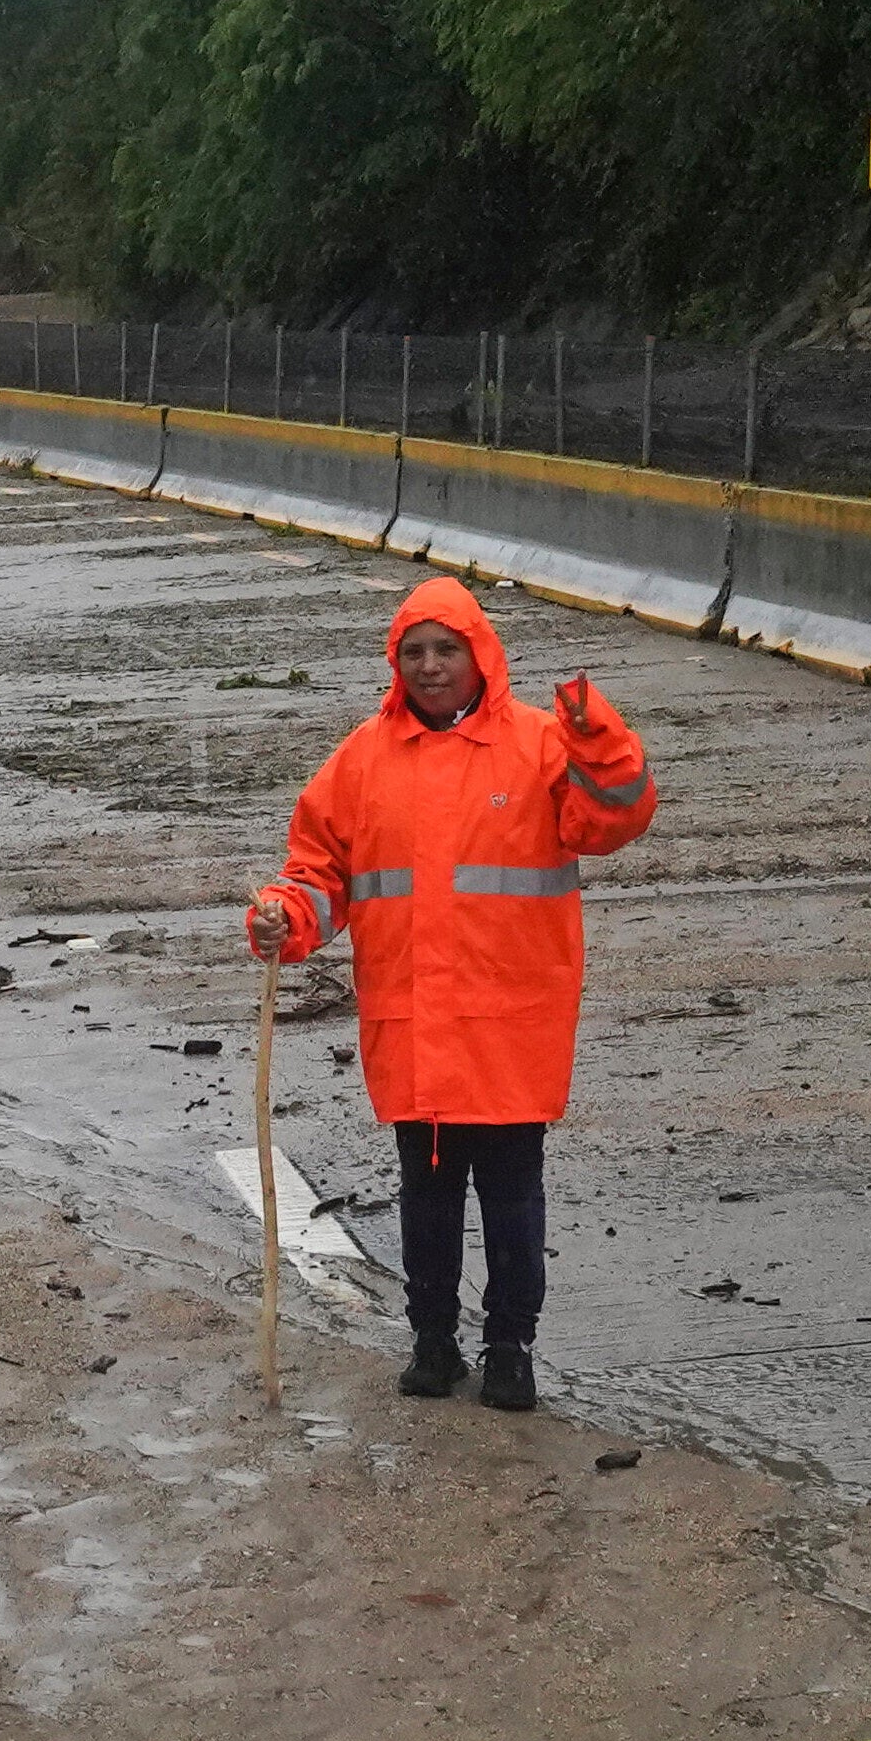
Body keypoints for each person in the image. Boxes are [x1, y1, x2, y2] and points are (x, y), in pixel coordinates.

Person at [241, 577, 656, 1413]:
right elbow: (319, 867)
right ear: (396, 663)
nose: (431, 667)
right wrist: (287, 917)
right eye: (414, 653)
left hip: (509, 1024)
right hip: (418, 1024)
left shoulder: (541, 745)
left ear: (481, 655)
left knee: (510, 1195)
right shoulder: (363, 757)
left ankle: (510, 1349)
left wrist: (599, 739)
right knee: (427, 1193)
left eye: (446, 650)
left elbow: (616, 818)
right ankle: (432, 1340)